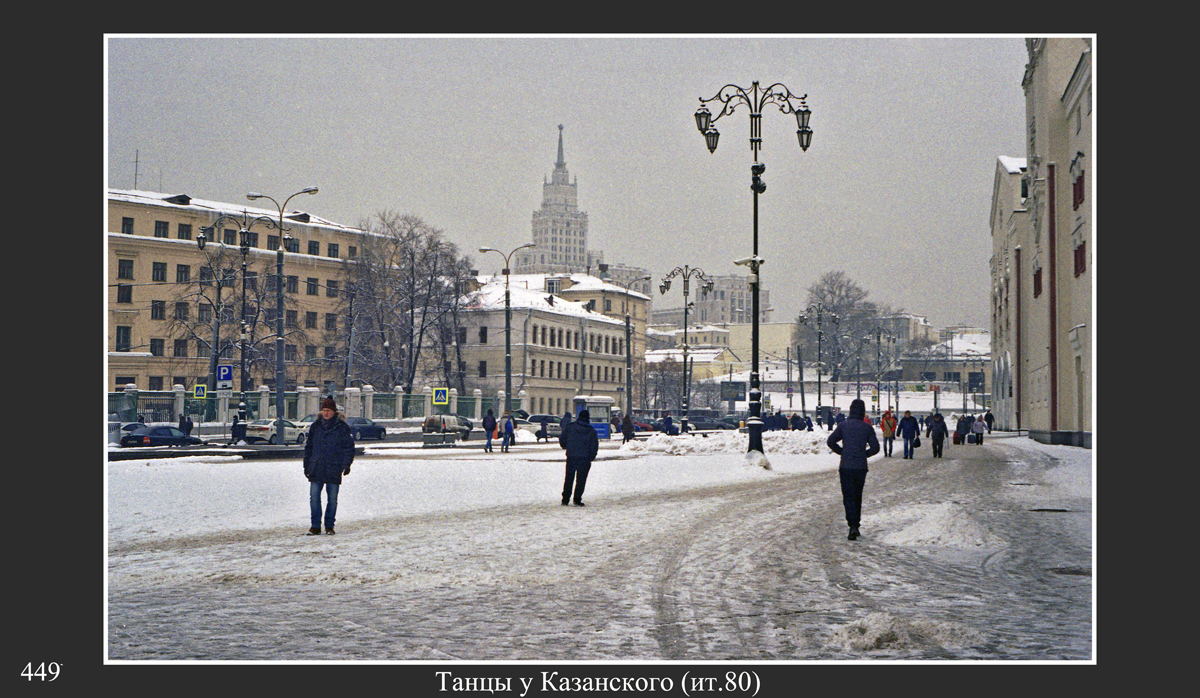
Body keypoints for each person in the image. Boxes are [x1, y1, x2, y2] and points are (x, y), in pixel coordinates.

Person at [826, 399, 880, 541]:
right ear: (862, 411)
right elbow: (875, 448)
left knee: (848, 496)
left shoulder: (843, 426)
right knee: (857, 495)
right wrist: (864, 454)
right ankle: (856, 524)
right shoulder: (867, 427)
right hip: (860, 466)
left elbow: (830, 441)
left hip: (846, 465)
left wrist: (842, 452)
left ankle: (852, 525)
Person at [303, 397, 356, 535]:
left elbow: (349, 447)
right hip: (317, 466)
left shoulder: (342, 427)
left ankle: (329, 526)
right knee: (314, 497)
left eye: (329, 410)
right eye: (324, 410)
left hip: (334, 466)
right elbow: (309, 447)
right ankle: (315, 526)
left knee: (332, 499)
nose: (326, 413)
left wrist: (346, 464)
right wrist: (306, 465)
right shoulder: (315, 426)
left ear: (334, 412)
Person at [559, 409, 599, 506]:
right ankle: (577, 499)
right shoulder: (591, 431)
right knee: (581, 480)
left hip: (571, 456)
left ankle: (565, 499)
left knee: (569, 478)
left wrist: (566, 447)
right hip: (585, 458)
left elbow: (562, 438)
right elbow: (594, 446)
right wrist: (591, 457)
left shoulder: (570, 427)